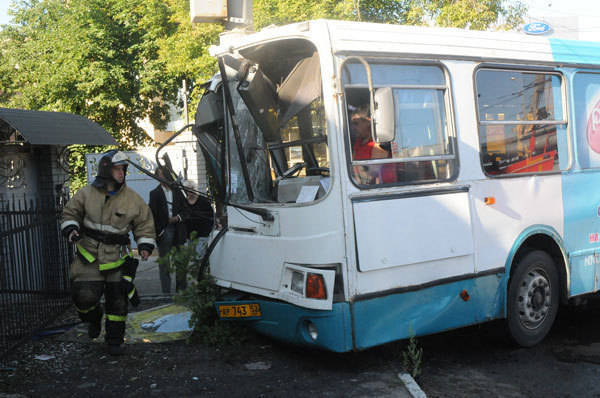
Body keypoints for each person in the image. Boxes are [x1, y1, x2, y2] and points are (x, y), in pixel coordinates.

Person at [60, 150, 156, 356]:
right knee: (83, 298)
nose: (121, 173)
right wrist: (71, 228)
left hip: (117, 258)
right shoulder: (86, 194)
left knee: (118, 301)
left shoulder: (133, 199)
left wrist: (145, 245)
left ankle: (114, 340)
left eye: (123, 169)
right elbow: (70, 213)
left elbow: (144, 223)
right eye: (117, 169)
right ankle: (93, 318)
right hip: (89, 257)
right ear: (105, 169)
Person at [148, 167, 184, 294]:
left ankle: (181, 292)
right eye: (158, 175)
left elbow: (185, 209)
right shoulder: (154, 193)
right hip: (165, 230)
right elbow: (152, 214)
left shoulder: (177, 191)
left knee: (180, 261)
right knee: (164, 263)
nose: (161, 178)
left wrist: (178, 218)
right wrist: (160, 231)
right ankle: (166, 293)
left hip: (178, 228)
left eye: (163, 175)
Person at [175, 180, 215, 291]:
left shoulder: (203, 201)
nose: (190, 192)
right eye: (188, 190)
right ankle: (195, 285)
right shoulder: (184, 202)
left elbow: (211, 216)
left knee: (199, 260)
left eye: (192, 189)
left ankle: (201, 284)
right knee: (191, 262)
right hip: (188, 236)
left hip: (202, 235)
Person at [351, 105, 397, 184]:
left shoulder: (379, 141)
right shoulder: (359, 141)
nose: (353, 127)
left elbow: (372, 173)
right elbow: (352, 165)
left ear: (368, 122)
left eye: (356, 123)